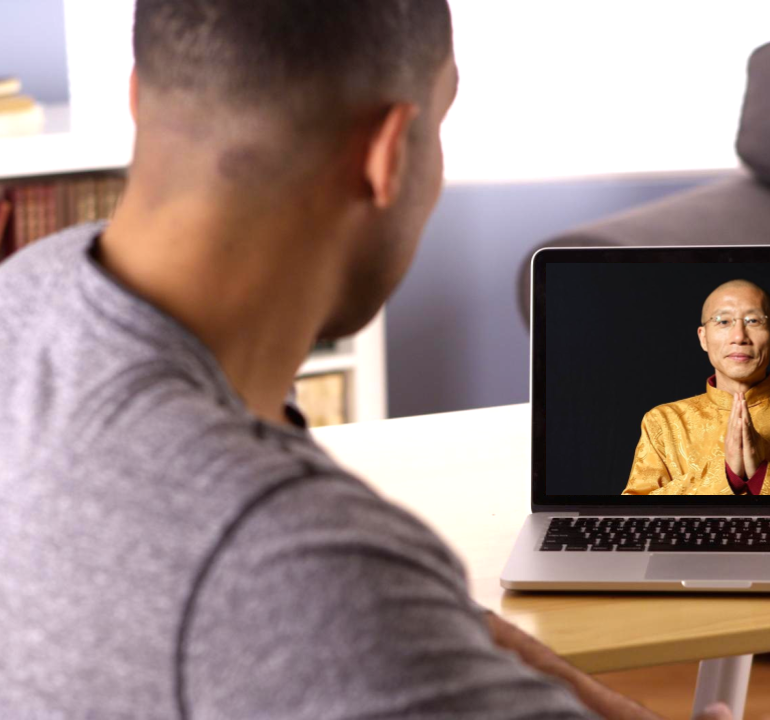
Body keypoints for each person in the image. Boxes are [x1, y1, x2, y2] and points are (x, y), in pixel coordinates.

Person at [0, 1, 731, 718]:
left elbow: (403, 623)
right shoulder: (289, 559)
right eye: (441, 125)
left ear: (137, 99)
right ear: (389, 155)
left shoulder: (30, 292)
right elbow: (342, 604)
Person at [623, 280, 770, 496]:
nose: (739, 336)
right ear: (703, 338)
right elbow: (636, 515)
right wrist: (728, 475)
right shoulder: (663, 422)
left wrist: (761, 474)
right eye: (723, 321)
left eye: (753, 321)